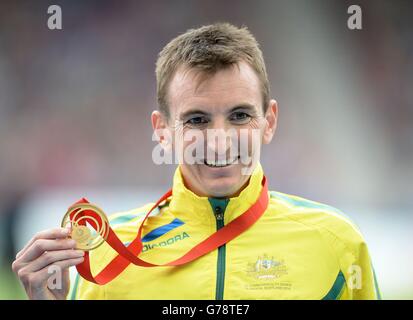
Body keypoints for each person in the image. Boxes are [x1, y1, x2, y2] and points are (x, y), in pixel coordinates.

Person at [12, 23, 381, 300]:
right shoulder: (108, 254)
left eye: (239, 115)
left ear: (269, 122)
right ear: (162, 131)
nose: (219, 140)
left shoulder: (337, 243)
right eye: (197, 119)